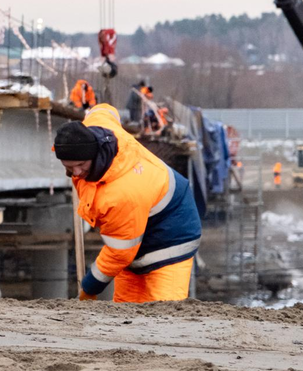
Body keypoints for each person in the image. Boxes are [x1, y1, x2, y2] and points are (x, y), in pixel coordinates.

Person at [53, 104, 202, 303]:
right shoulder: (95, 128)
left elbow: (120, 252)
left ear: (95, 153)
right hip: (134, 231)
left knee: (165, 313)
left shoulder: (121, 192)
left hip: (172, 234)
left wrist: (88, 288)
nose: (77, 172)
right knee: (125, 310)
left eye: (81, 165)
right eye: (69, 167)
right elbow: (105, 110)